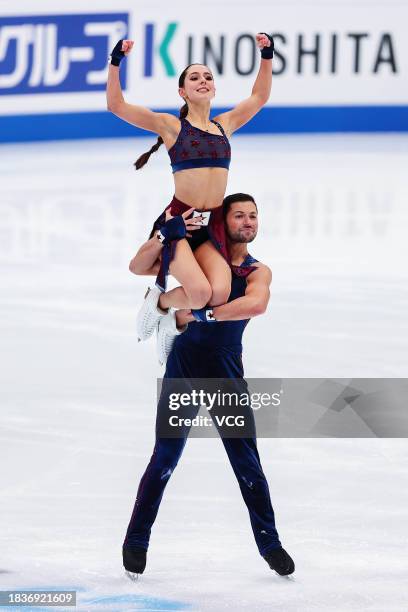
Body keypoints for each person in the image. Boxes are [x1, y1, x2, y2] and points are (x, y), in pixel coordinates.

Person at [123, 194, 295, 578]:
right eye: (240, 215)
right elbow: (140, 265)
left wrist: (202, 313)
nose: (248, 222)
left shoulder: (256, 271)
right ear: (224, 221)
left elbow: (255, 306)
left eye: (253, 215)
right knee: (164, 458)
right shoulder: (203, 264)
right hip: (184, 366)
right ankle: (136, 540)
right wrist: (164, 236)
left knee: (246, 461)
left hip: (225, 373)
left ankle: (270, 543)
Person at [106, 34, 275, 340]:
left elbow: (259, 97)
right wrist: (116, 61)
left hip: (212, 227)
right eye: (194, 77)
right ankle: (159, 302)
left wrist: (266, 55)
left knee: (220, 293)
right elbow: (116, 105)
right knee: (199, 293)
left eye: (208, 77)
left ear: (213, 88)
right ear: (182, 91)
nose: (203, 80)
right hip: (181, 223)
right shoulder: (172, 126)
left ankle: (177, 319)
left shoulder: (225, 124)